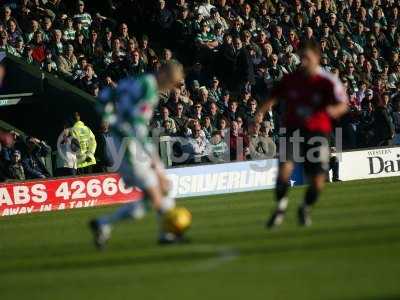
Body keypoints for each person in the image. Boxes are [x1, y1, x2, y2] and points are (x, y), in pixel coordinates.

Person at [90, 61, 186, 249]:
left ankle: (103, 224)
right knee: (157, 188)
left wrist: (109, 118)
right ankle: (167, 233)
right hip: (127, 146)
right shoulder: (149, 91)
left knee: (147, 203)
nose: (171, 88)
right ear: (164, 75)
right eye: (173, 82)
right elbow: (138, 129)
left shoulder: (136, 81)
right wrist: (158, 166)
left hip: (124, 142)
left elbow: (104, 96)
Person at [258, 41, 348, 228]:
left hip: (318, 133)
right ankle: (281, 207)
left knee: (318, 182)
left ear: (317, 58)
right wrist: (258, 114)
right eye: (302, 57)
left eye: (307, 57)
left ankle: (304, 207)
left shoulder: (327, 81)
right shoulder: (290, 79)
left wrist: (332, 111)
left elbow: (343, 103)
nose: (304, 61)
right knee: (284, 172)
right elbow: (273, 97)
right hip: (293, 131)